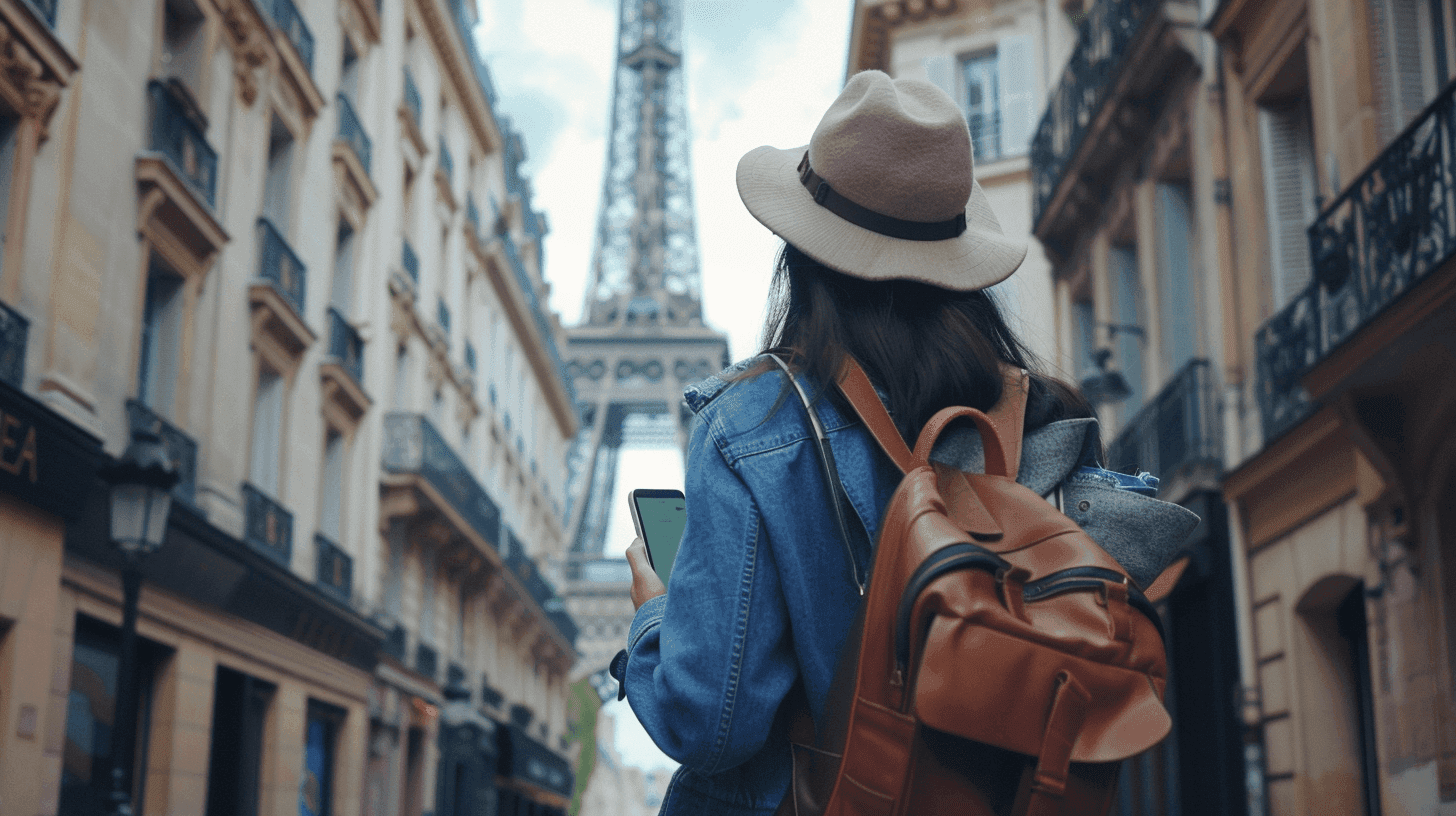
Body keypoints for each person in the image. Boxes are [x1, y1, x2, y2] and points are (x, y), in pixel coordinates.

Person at [614, 70, 1195, 816]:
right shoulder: (1040, 416)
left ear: (803, 251)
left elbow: (710, 724)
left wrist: (654, 616)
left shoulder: (752, 424)